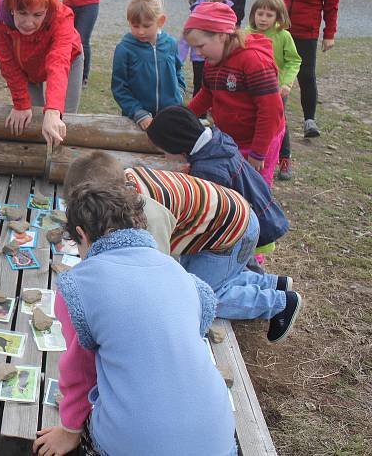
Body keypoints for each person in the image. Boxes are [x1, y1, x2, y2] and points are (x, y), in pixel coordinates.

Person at [32, 181, 235, 456]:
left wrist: (70, 431)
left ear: (81, 234)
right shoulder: (180, 274)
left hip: (136, 443)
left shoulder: (76, 287)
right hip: (218, 437)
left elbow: (80, 373)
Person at [65, 150, 302, 339]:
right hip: (219, 222)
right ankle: (272, 283)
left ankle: (279, 304)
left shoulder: (147, 212)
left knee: (200, 296)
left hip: (233, 231)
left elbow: (156, 273)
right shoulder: (124, 184)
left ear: (106, 196)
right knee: (203, 276)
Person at [147, 105, 290, 254]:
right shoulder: (217, 140)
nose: (165, 156)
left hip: (250, 233)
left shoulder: (208, 172)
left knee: (240, 269)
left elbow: (207, 218)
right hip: (264, 215)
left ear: (175, 145)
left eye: (164, 151)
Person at [184, 2, 285, 187]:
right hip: (233, 138)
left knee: (256, 186)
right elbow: (206, 94)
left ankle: (258, 215)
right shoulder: (213, 61)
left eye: (201, 46)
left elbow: (271, 111)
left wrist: (258, 152)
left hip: (260, 140)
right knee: (234, 182)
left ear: (222, 36)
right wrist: (182, 116)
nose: (197, 53)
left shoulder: (254, 61)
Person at [0, 0, 83, 146]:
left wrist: (53, 111)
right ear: (12, 7)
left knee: (63, 120)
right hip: (25, 65)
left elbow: (58, 62)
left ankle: (60, 167)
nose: (29, 23)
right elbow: (6, 60)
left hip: (68, 60)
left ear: (47, 10)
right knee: (33, 120)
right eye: (22, 13)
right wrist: (21, 103)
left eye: (37, 15)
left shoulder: (62, 16)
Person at [268, 0, 339, 139]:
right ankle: (271, 114)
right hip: (279, 30)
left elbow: (331, 5)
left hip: (306, 32)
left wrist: (329, 34)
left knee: (306, 75)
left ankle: (309, 120)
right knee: (273, 72)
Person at [246, 0, 302, 181]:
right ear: (253, 14)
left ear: (278, 17)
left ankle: (284, 158)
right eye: (260, 13)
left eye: (269, 15)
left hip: (275, 90)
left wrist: (286, 83)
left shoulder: (283, 36)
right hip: (250, 91)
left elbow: (294, 61)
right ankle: (252, 156)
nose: (263, 19)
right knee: (254, 123)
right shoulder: (245, 34)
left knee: (277, 125)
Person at [111, 0, 184, 130]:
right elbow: (119, 87)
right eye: (135, 26)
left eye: (146, 26)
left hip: (169, 117)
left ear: (161, 21)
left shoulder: (171, 44)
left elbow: (178, 71)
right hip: (136, 120)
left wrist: (179, 95)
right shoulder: (124, 49)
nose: (141, 32)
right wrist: (138, 112)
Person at [179, 0, 236, 95]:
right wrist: (180, 57)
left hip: (218, 54)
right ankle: (200, 113)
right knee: (200, 83)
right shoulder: (200, 8)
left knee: (217, 81)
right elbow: (187, 33)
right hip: (200, 55)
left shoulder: (227, 8)